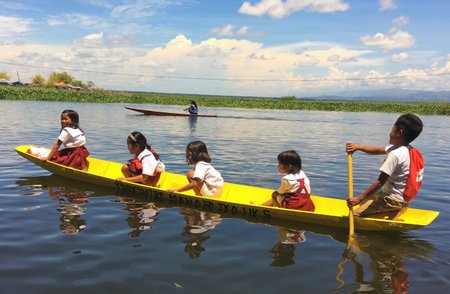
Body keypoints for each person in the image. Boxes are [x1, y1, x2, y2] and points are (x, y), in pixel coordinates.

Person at [346, 113, 424, 218]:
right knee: (363, 203)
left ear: (399, 132)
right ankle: (394, 209)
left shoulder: (395, 155)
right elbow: (378, 150)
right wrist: (358, 147)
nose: (390, 131)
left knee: (353, 215)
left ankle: (391, 211)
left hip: (391, 200)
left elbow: (379, 182)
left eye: (393, 127)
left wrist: (359, 198)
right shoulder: (407, 150)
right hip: (402, 199)